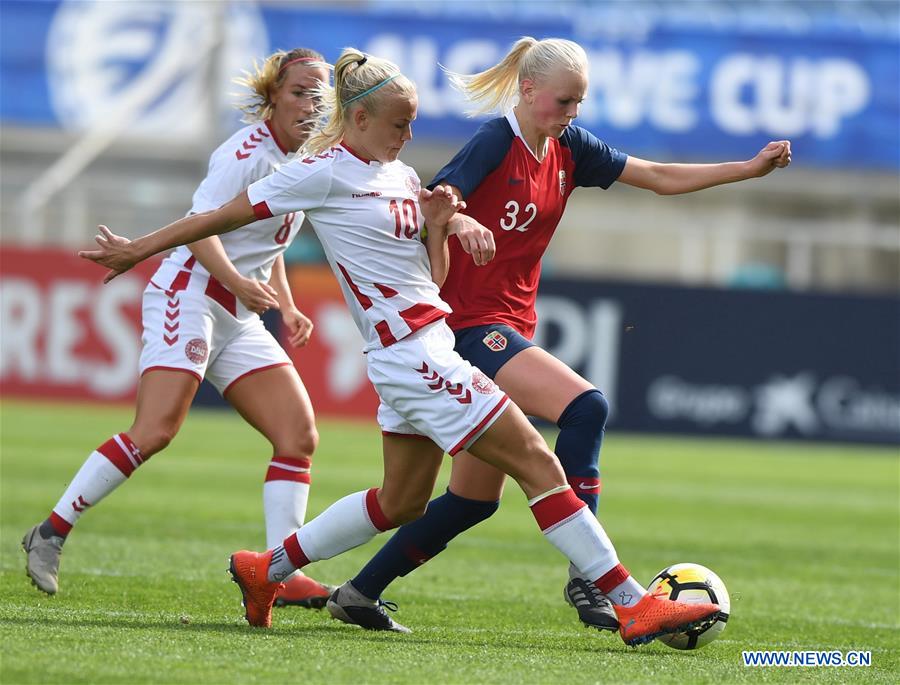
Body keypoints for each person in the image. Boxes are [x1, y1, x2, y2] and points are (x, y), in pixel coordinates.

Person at [78, 47, 720, 648]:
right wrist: (140, 247)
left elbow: (431, 278)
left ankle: (263, 568)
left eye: (411, 123)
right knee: (536, 461)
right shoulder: (318, 172)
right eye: (398, 123)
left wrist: (445, 224)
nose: (408, 135)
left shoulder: (396, 173)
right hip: (414, 354)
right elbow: (220, 214)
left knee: (400, 502)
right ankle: (632, 601)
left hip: (422, 344)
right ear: (357, 117)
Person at [329, 37, 792, 633]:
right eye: (564, 101)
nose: (572, 113)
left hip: (508, 324)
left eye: (580, 102)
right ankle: (591, 579)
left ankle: (358, 592)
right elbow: (434, 206)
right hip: (467, 326)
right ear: (527, 91)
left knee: (473, 501)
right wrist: (457, 218)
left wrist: (746, 170)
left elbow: (654, 174)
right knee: (586, 407)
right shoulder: (495, 142)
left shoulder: (569, 146)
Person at [22, 48, 336, 609]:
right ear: (272, 96)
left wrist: (285, 305)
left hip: (237, 316)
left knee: (298, 436)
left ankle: (277, 572)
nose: (310, 104)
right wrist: (241, 284)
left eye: (321, 94)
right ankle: (51, 531)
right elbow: (200, 231)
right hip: (188, 297)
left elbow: (270, 240)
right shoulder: (244, 153)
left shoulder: (307, 159)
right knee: (155, 431)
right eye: (299, 92)